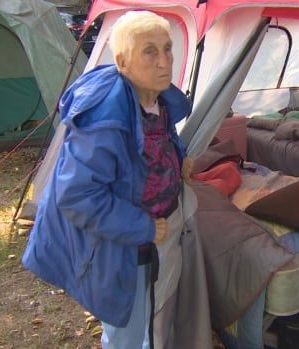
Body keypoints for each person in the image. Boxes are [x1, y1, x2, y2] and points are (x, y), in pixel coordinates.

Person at [22, 11, 193, 349]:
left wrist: (180, 158)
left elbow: (157, 139)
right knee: (126, 331)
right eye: (150, 51)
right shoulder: (104, 116)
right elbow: (77, 195)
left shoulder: (155, 96)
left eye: (168, 48)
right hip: (119, 244)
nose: (165, 61)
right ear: (122, 61)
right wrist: (142, 227)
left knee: (149, 316)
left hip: (149, 237)